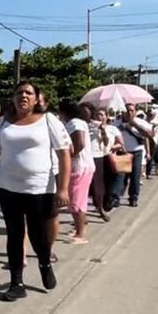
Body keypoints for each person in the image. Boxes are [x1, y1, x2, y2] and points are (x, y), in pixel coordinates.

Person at [0, 82, 71, 302]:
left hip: (41, 189)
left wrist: (63, 188)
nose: (24, 96)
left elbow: (64, 154)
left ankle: (45, 263)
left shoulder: (48, 121)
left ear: (37, 98)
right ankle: (16, 283)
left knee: (39, 236)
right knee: (15, 235)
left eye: (29, 93)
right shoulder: (3, 123)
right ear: (13, 98)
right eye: (19, 93)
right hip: (9, 188)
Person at [61, 101, 95, 244]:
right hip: (77, 167)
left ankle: (80, 234)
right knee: (75, 200)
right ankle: (78, 227)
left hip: (80, 167)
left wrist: (69, 156)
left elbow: (79, 143)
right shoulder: (74, 123)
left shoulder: (76, 123)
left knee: (77, 201)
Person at [114, 104, 153, 208]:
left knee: (135, 176)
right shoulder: (116, 123)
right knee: (120, 177)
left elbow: (149, 135)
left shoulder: (140, 122)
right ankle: (116, 198)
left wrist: (134, 124)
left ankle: (133, 197)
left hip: (137, 152)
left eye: (131, 110)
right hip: (122, 152)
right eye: (127, 110)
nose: (129, 112)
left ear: (135, 112)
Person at [86, 105, 114, 222]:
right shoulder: (88, 125)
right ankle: (81, 212)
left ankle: (100, 208)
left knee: (99, 185)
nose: (101, 117)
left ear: (107, 117)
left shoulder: (107, 128)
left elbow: (106, 143)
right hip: (87, 157)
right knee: (87, 185)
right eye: (98, 114)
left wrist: (102, 130)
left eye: (103, 115)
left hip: (99, 157)